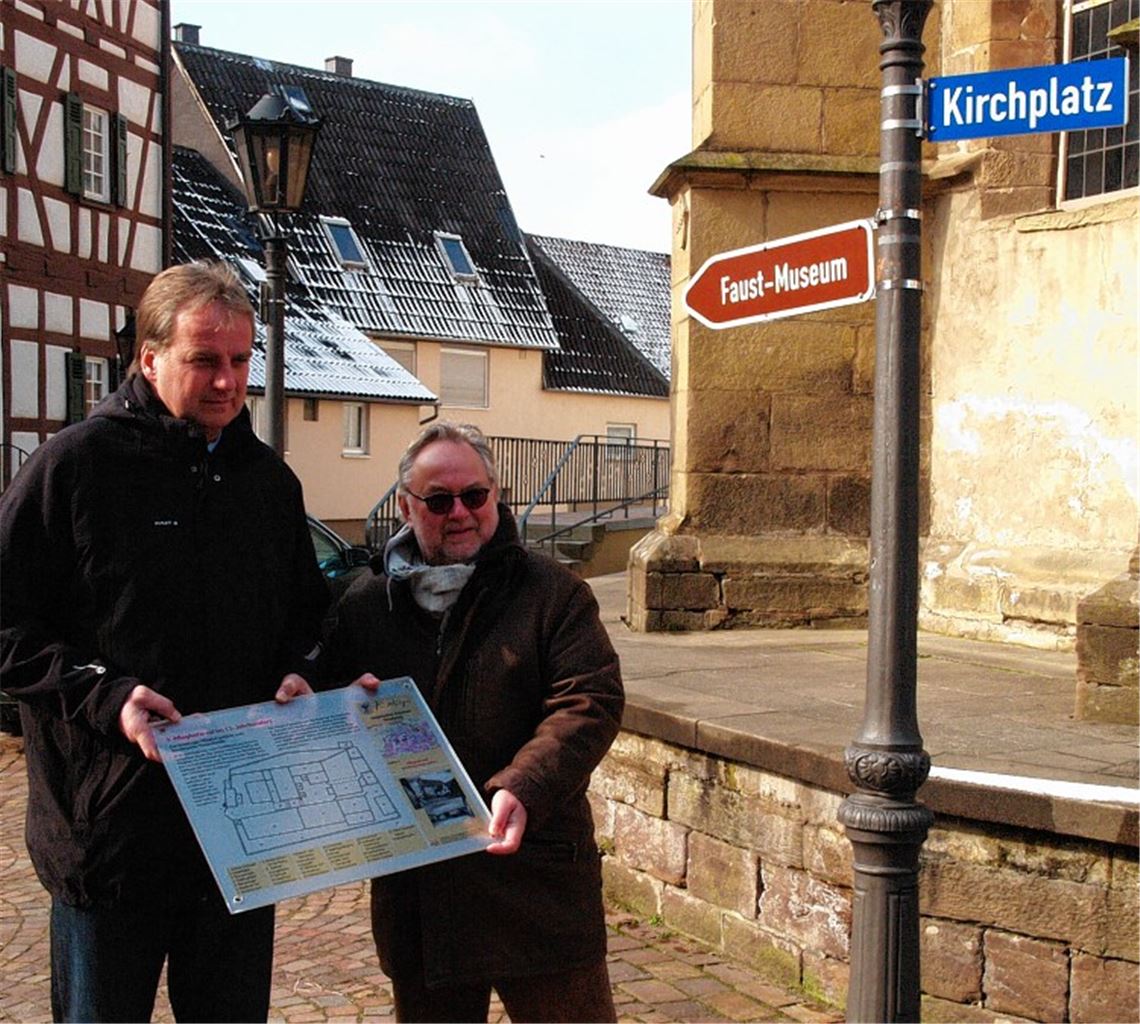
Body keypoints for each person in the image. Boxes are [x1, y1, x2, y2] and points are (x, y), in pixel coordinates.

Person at [0, 261, 329, 1023]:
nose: (227, 381)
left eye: (242, 361)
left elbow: (309, 622)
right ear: (148, 358)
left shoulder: (268, 483)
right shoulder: (76, 468)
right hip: (113, 839)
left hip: (240, 835)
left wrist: (298, 673)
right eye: (204, 360)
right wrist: (106, 697)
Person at [319, 422, 624, 1023]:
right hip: (422, 893)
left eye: (474, 496)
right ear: (407, 506)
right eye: (438, 500)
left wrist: (524, 784)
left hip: (533, 876)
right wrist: (332, 704)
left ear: (496, 494)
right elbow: (328, 699)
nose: (459, 512)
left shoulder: (553, 592)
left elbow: (588, 700)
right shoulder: (365, 605)